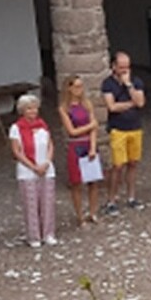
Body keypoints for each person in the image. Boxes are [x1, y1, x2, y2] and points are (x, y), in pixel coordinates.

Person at [8, 93, 58, 247]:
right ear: (23, 110)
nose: (33, 112)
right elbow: (16, 151)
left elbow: (50, 145)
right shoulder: (16, 128)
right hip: (27, 171)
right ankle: (34, 236)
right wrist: (33, 166)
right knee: (31, 204)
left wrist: (47, 162)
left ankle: (48, 233)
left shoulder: (42, 125)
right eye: (29, 109)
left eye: (35, 108)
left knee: (47, 202)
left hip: (46, 168)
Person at [100, 51, 147, 211]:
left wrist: (129, 86)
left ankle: (131, 196)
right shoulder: (108, 84)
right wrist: (131, 103)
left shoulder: (136, 81)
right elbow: (112, 106)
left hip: (135, 127)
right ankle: (111, 199)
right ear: (114, 67)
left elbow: (141, 102)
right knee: (118, 165)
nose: (125, 71)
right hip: (118, 129)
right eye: (121, 67)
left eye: (127, 67)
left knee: (133, 163)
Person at [58, 75, 103, 225]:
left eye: (81, 86)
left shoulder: (87, 104)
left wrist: (92, 147)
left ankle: (93, 211)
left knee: (93, 181)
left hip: (88, 143)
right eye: (76, 86)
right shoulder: (64, 108)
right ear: (69, 88)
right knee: (76, 182)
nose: (79, 90)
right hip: (75, 144)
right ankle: (79, 215)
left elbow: (94, 128)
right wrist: (90, 126)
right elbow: (72, 131)